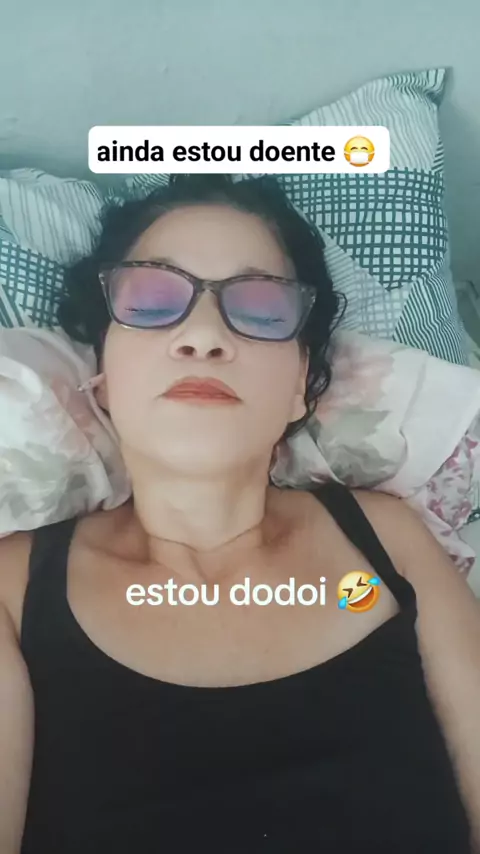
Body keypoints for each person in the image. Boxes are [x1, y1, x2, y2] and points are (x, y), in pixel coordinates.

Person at [0, 173, 479, 854]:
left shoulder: (388, 541)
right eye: (152, 299)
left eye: (259, 307)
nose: (202, 336)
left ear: (299, 385)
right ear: (101, 378)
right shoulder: (12, 592)